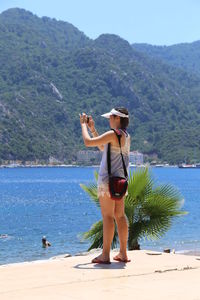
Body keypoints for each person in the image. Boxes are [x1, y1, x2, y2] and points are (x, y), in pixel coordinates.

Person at [80, 107, 131, 264]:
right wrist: (93, 129)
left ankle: (105, 255)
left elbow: (88, 142)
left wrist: (83, 125)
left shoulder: (112, 134)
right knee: (120, 216)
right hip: (120, 181)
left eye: (110, 117)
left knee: (108, 217)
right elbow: (104, 148)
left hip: (108, 182)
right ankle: (123, 253)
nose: (108, 119)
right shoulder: (126, 135)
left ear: (117, 118)